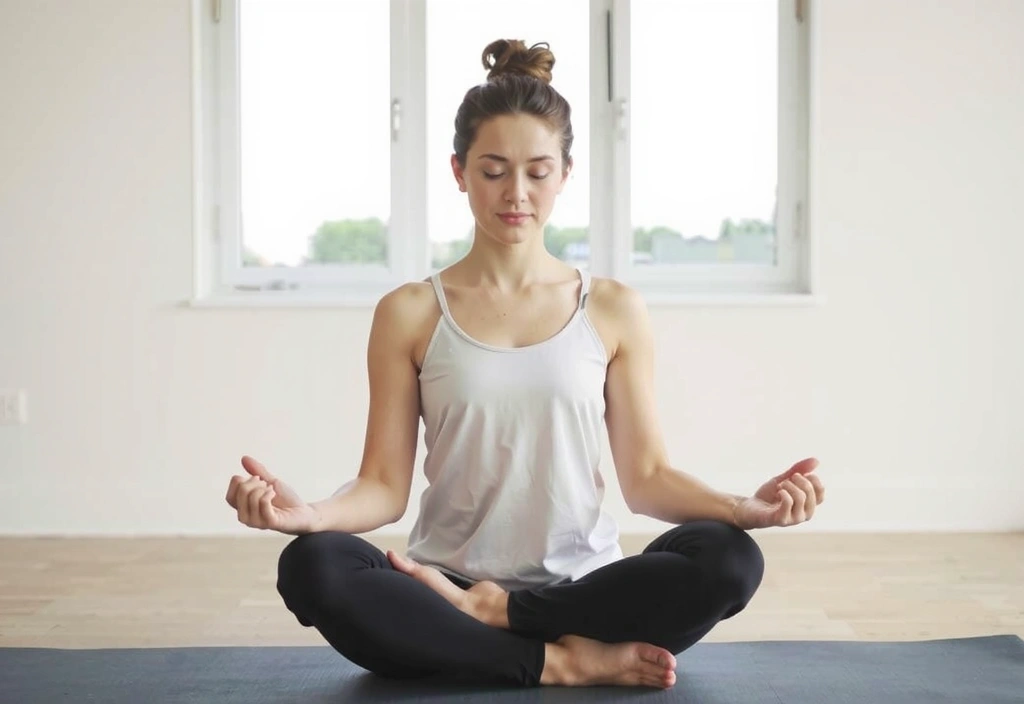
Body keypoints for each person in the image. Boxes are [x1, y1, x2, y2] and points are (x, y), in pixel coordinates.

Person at [225, 38, 825, 690]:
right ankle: (558, 662)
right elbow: (383, 486)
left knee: (729, 559)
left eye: (538, 171)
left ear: (565, 174)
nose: (516, 192)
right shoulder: (409, 312)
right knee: (313, 566)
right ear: (458, 171)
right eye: (492, 170)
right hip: (445, 587)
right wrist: (308, 515)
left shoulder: (613, 308)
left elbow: (647, 477)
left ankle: (502, 626)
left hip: (584, 589)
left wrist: (744, 506)